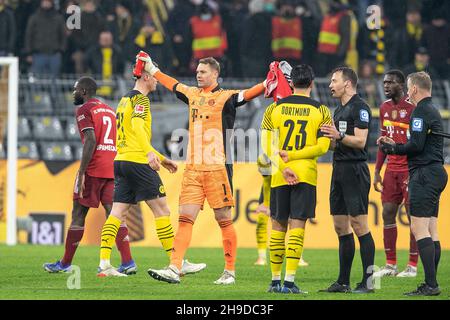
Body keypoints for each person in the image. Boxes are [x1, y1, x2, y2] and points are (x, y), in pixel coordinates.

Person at [143, 55, 266, 285]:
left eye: (203, 72)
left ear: (215, 75)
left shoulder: (225, 97)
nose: (198, 74)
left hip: (217, 167)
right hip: (193, 168)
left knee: (223, 220)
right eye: (197, 71)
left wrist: (267, 84)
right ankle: (174, 267)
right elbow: (172, 84)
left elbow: (248, 94)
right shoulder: (191, 95)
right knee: (184, 219)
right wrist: (151, 68)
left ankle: (229, 272)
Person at [97, 53, 206, 277]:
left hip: (121, 161)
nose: (156, 79)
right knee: (162, 210)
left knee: (117, 213)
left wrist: (163, 158)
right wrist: (148, 153)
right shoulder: (141, 100)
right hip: (138, 162)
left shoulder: (124, 99)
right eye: (154, 75)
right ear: (146, 77)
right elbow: (137, 128)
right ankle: (177, 261)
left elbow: (131, 133)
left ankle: (105, 263)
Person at [43, 77, 134, 273]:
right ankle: (128, 262)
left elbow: (91, 140)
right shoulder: (109, 110)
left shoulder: (84, 110)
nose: (73, 93)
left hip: (93, 168)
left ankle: (65, 264)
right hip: (113, 167)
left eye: (76, 90)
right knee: (114, 215)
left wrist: (82, 171)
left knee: (78, 215)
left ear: (84, 91)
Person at [261, 64, 331, 294]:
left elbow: (266, 146)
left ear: (291, 84)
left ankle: (274, 281)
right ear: (312, 83)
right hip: (306, 175)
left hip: (281, 175)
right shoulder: (321, 111)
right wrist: (297, 156)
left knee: (278, 226)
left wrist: (283, 165)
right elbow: (323, 146)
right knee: (297, 226)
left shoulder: (274, 109)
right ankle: (289, 282)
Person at [378, 71, 448, 296]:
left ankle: (430, 285)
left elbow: (415, 145)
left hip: (424, 174)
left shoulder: (419, 112)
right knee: (431, 230)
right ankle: (431, 281)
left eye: (409, 88)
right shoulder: (433, 110)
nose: (408, 92)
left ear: (415, 89)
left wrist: (394, 148)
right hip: (437, 172)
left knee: (419, 229)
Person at [319, 67, 375, 294]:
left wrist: (339, 136)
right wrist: (323, 136)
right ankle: (343, 282)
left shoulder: (360, 107)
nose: (330, 85)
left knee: (360, 225)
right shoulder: (339, 110)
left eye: (334, 81)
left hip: (355, 170)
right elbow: (336, 143)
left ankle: (369, 282)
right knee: (340, 226)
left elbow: (361, 142)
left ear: (348, 84)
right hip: (338, 169)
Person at [373, 70, 418, 278]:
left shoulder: (413, 109)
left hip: (409, 168)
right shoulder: (383, 108)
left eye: (390, 82)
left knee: (413, 217)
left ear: (401, 85)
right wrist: (377, 171)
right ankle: (391, 265)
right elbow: (383, 141)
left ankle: (412, 265)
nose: (386, 86)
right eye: (384, 82)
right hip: (391, 169)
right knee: (387, 212)